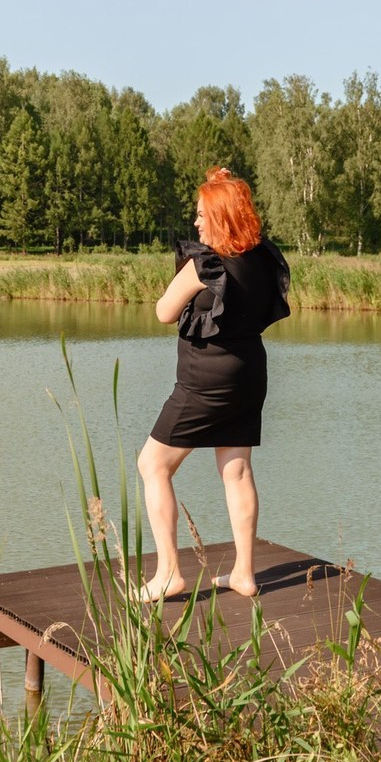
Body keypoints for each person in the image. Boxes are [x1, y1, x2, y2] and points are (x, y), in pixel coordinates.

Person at [137, 167, 290, 600]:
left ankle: (169, 572)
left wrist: (185, 277)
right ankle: (243, 573)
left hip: (203, 382)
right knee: (236, 469)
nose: (197, 223)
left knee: (153, 465)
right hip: (249, 375)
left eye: (203, 215)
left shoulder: (204, 263)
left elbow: (164, 312)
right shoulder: (262, 258)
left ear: (221, 217)